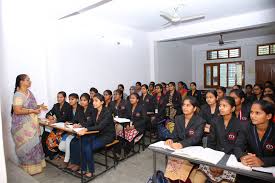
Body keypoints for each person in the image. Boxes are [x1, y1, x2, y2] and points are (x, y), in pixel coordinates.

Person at [192, 96, 243, 183]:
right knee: (197, 178)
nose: (221, 108)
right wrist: (212, 163)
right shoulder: (215, 121)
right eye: (220, 106)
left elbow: (238, 147)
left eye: (224, 106)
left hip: (230, 159)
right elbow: (211, 142)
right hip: (214, 156)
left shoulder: (240, 124)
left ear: (233, 108)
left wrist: (222, 165)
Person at [11, 74, 47, 175]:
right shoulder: (18, 94)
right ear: (21, 82)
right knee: (27, 146)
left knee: (35, 145)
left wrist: (39, 106)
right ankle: (28, 169)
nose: (30, 81)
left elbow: (30, 106)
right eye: (28, 80)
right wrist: (32, 110)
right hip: (22, 126)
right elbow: (17, 110)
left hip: (32, 123)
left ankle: (36, 167)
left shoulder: (29, 92)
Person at [164, 97, 205, 182]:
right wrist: (170, 139)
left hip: (193, 151)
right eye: (183, 105)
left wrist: (181, 144)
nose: (185, 107)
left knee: (181, 171)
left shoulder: (200, 121)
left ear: (194, 108)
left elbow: (196, 138)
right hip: (179, 151)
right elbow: (175, 134)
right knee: (172, 171)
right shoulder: (178, 118)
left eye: (188, 105)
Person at [235, 100, 275, 183]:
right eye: (251, 112)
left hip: (269, 173)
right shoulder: (246, 127)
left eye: (257, 113)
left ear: (268, 116)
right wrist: (243, 156)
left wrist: (262, 161)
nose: (252, 116)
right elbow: (238, 146)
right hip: (249, 169)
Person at [77, 93, 116, 177]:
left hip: (108, 135)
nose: (93, 103)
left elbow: (100, 126)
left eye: (96, 101)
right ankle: (83, 168)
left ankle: (91, 171)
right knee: (82, 142)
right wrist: (80, 126)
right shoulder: (94, 111)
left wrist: (86, 129)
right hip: (98, 134)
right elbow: (89, 123)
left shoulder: (107, 112)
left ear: (102, 102)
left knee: (88, 147)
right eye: (93, 101)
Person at [68, 93, 94, 171]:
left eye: (84, 100)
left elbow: (90, 122)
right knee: (73, 142)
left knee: (79, 143)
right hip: (81, 131)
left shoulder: (92, 109)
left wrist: (80, 125)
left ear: (88, 101)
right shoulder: (80, 109)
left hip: (90, 132)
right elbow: (76, 119)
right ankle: (74, 162)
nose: (82, 102)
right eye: (81, 100)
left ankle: (79, 164)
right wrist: (72, 123)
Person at [43, 91, 72, 159]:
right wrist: (49, 116)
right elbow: (48, 113)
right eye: (58, 97)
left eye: (61, 97)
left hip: (65, 127)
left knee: (54, 138)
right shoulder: (56, 106)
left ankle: (54, 153)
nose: (59, 99)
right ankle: (50, 153)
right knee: (46, 135)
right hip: (58, 126)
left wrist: (55, 120)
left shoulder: (68, 106)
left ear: (64, 98)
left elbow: (64, 117)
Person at [58, 93, 84, 168]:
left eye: (72, 99)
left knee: (69, 140)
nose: (70, 101)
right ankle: (72, 157)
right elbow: (64, 118)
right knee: (61, 147)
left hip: (77, 131)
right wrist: (68, 122)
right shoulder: (69, 108)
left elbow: (80, 120)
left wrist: (73, 123)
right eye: (69, 99)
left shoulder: (81, 108)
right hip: (70, 130)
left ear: (77, 100)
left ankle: (66, 161)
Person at [116, 93, 146, 157]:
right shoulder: (129, 106)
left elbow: (144, 119)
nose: (131, 99)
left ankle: (126, 151)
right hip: (129, 125)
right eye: (130, 98)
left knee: (130, 136)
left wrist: (134, 126)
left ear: (137, 100)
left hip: (138, 127)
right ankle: (118, 151)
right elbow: (127, 117)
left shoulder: (142, 107)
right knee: (120, 134)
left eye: (133, 98)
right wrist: (127, 125)